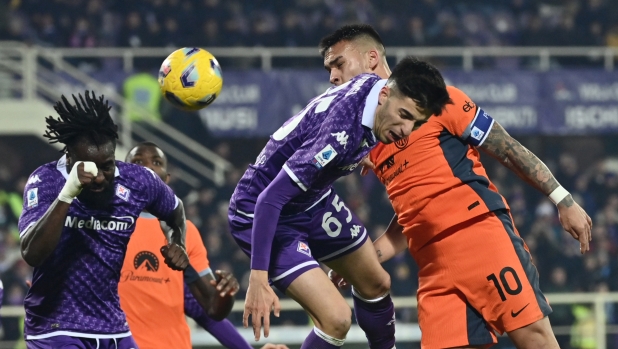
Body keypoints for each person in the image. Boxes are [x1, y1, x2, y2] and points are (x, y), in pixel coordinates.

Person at [320, 24, 593, 348]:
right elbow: (411, 215)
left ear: (372, 58)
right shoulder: (369, 140)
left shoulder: (434, 99)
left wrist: (562, 199)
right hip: (434, 267)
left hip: (480, 236)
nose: (333, 78)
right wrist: (363, 259)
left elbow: (505, 147)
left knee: (536, 340)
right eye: (329, 70)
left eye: (338, 64)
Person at [229, 56, 428, 349]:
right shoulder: (337, 138)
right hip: (263, 212)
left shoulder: (372, 87)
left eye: (414, 121)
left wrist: (359, 153)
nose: (406, 131)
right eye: (404, 115)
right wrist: (258, 279)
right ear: (385, 96)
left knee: (377, 282)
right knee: (336, 319)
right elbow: (269, 199)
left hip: (312, 198)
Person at [18, 91, 191, 349]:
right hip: (55, 326)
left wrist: (177, 242)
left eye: (106, 166)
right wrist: (67, 194)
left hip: (113, 326)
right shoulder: (46, 182)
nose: (98, 177)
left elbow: (175, 211)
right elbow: (32, 253)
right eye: (88, 167)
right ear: (69, 158)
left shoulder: (138, 181)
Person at [121, 141, 288, 349]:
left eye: (156, 162)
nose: (148, 167)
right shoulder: (107, 226)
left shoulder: (186, 231)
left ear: (167, 177)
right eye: (137, 162)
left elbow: (206, 310)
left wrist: (223, 296)